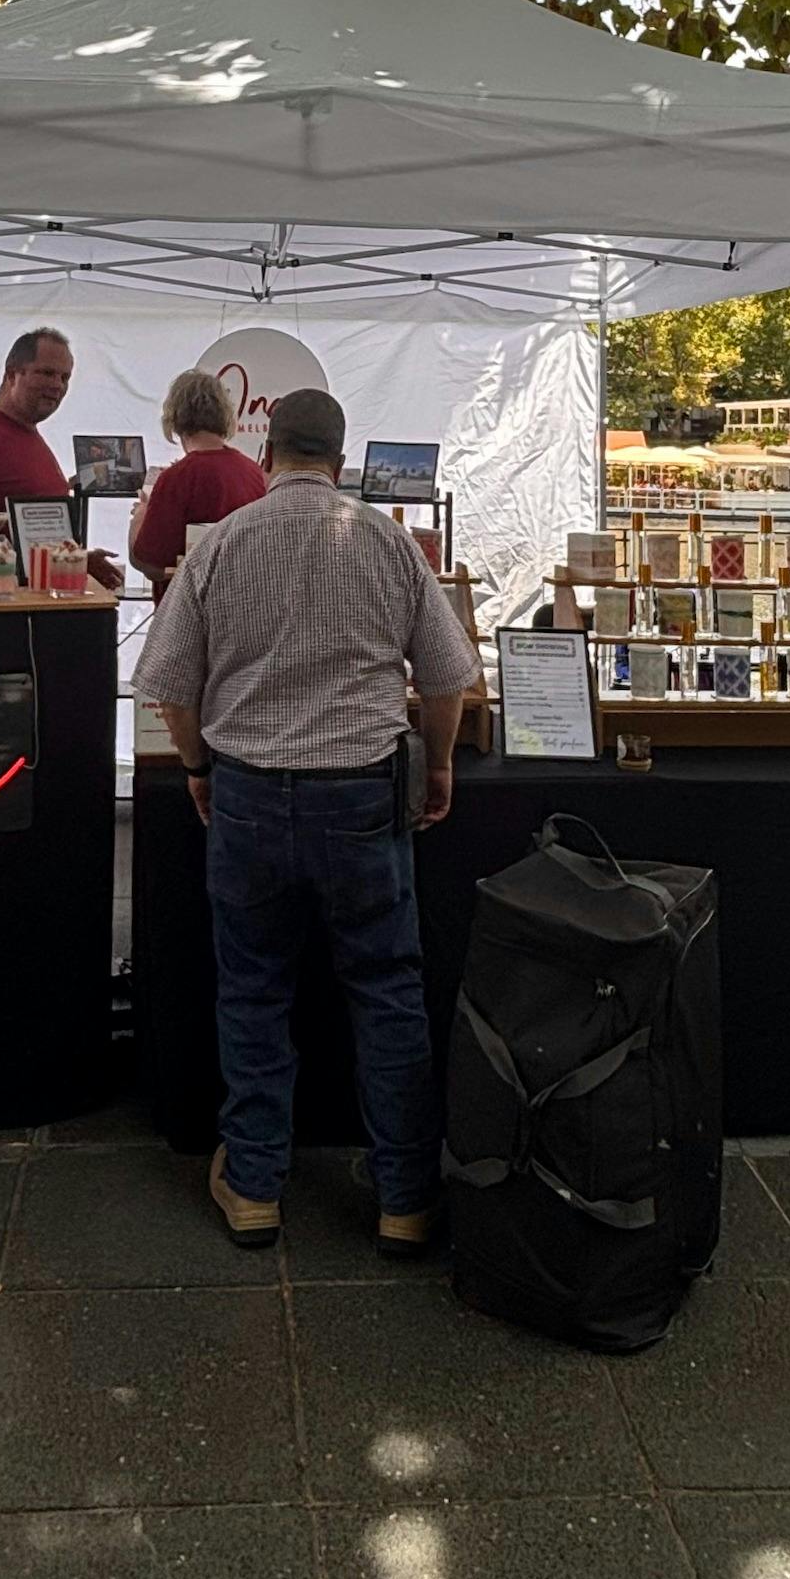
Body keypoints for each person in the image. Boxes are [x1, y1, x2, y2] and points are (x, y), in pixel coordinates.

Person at [131, 387, 480, 1257]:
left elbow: (168, 686)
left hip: (248, 792)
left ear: (265, 452)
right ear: (341, 455)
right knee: (388, 992)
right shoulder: (385, 541)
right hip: (362, 795)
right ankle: (404, 1197)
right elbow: (447, 678)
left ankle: (253, 1186)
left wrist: (202, 768)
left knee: (252, 990)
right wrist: (436, 763)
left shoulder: (224, 545)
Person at [0, 326, 121, 589]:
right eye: (46, 373)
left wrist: (75, 559)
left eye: (65, 377)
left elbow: (31, 538)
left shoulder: (32, 436)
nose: (57, 385)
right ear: (12, 374)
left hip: (33, 604)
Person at [129, 368, 267, 599]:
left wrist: (141, 514)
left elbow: (149, 563)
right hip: (244, 608)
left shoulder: (176, 478)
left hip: (188, 614)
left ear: (174, 416)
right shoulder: (254, 472)